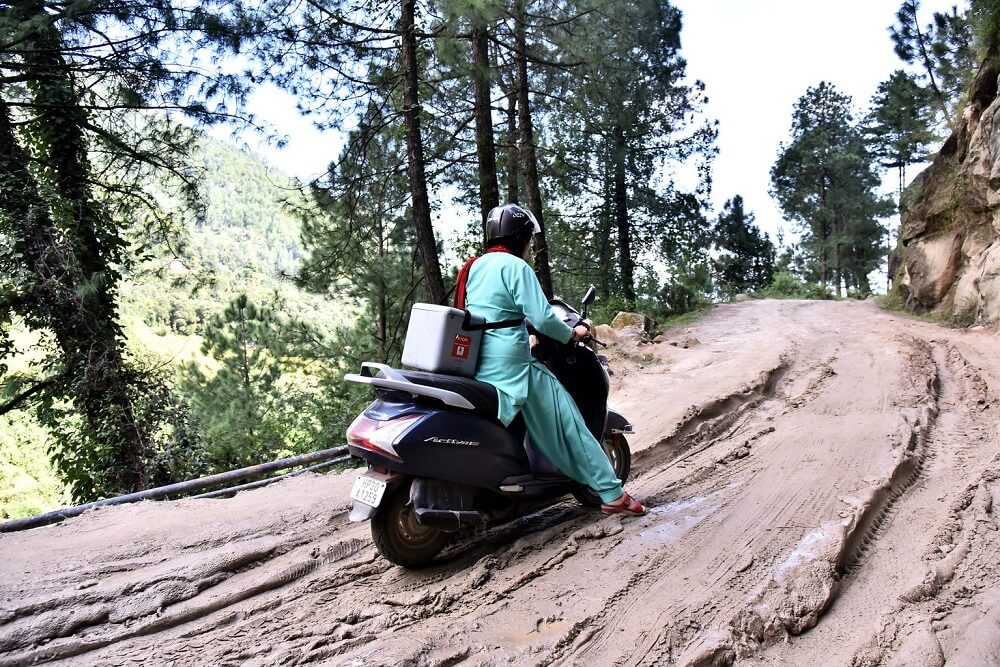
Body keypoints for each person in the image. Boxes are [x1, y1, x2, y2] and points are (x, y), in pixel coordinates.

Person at [455, 203, 646, 516]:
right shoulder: (515, 267)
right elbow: (544, 320)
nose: (530, 246)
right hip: (513, 367)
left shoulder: (474, 266)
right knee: (569, 423)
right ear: (521, 238)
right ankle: (613, 495)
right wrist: (574, 334)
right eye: (529, 239)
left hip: (480, 362)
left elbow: (496, 312)